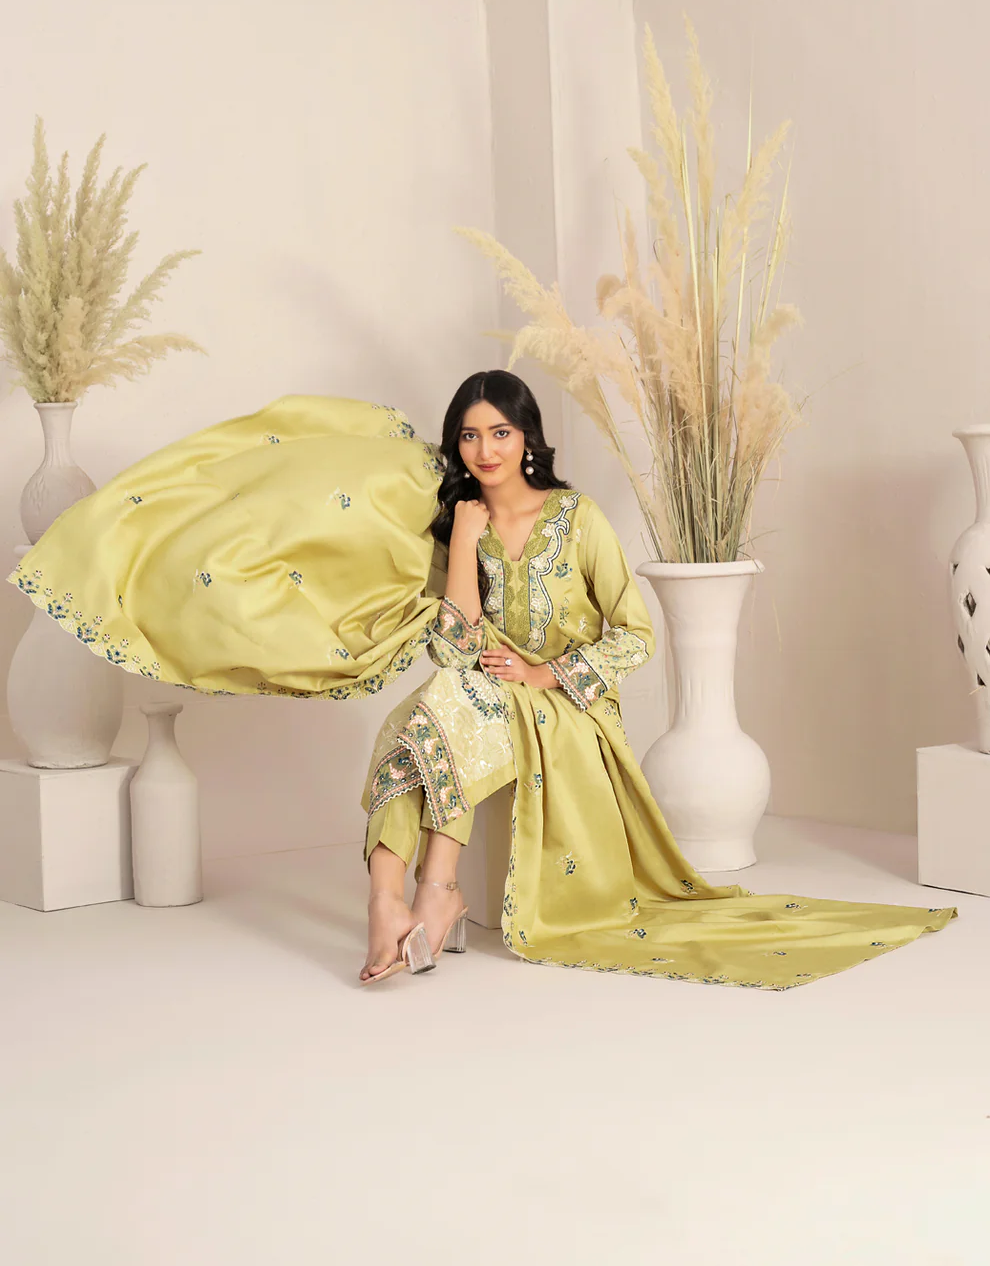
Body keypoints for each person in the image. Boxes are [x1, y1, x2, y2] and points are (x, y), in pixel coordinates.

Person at [7, 372, 956, 989]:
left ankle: (430, 894)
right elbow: (456, 645)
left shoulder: (577, 519)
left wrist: (546, 669)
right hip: (482, 693)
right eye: (469, 435)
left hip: (565, 709)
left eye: (500, 432)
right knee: (420, 719)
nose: (484, 450)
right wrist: (461, 541)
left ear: (529, 436)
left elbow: (635, 635)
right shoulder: (457, 523)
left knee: (437, 716)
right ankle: (398, 899)